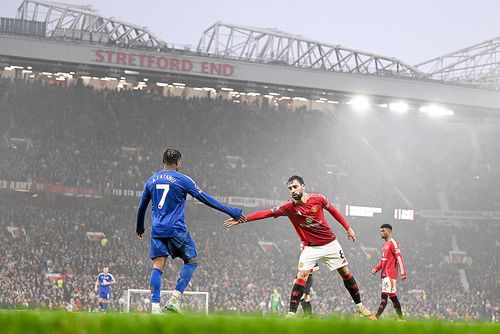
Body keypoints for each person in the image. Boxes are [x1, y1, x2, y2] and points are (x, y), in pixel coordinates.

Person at [225, 175, 374, 318]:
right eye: (290, 188)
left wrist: (348, 228)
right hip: (310, 247)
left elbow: (334, 211)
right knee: (301, 275)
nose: (292, 190)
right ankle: (291, 313)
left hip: (330, 243)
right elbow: (267, 213)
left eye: (295, 186)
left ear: (303, 186)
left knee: (345, 273)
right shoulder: (288, 207)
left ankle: (359, 306)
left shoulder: (318, 198)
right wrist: (243, 219)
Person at [136, 149, 245, 314]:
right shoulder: (183, 180)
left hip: (157, 230)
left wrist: (139, 227)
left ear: (163, 160)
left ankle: (155, 307)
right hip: (176, 229)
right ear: (178, 161)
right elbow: (205, 199)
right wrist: (231, 211)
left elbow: (142, 206)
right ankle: (174, 299)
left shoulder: (152, 180)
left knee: (158, 265)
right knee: (192, 261)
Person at [372, 223, 407, 320]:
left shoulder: (393, 243)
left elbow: (399, 257)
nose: (381, 233)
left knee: (384, 295)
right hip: (384, 275)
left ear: (389, 231)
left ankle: (376, 316)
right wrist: (376, 268)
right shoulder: (384, 245)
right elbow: (383, 260)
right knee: (393, 297)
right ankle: (401, 319)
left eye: (383, 231)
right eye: (380, 231)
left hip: (390, 275)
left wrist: (403, 273)